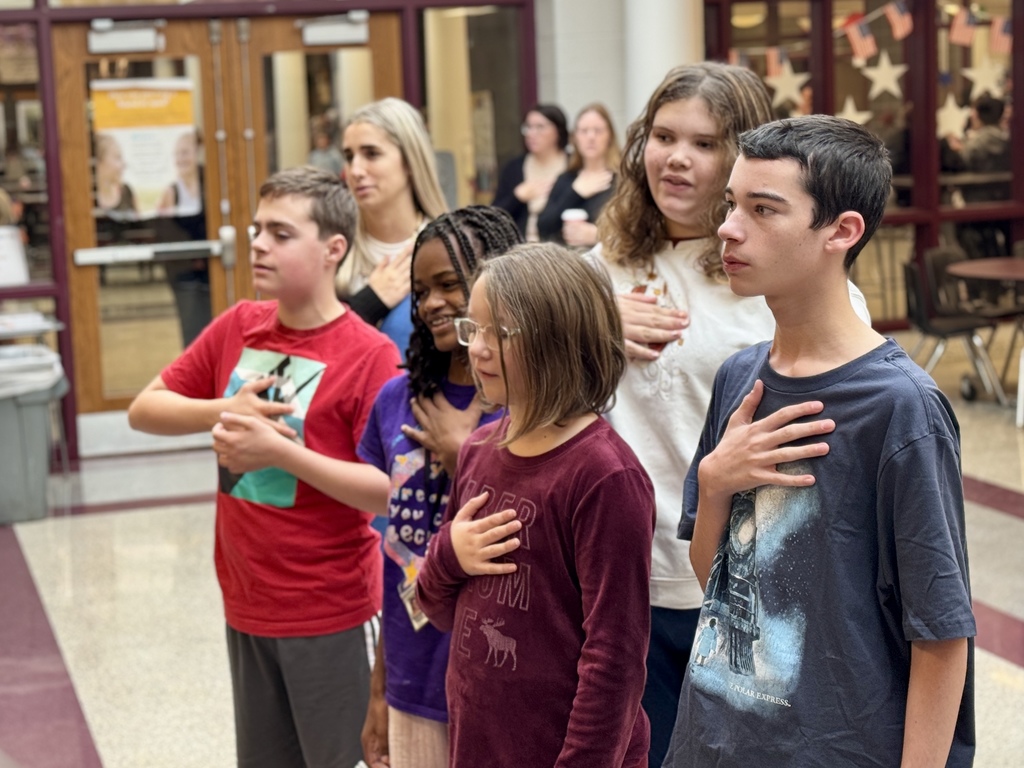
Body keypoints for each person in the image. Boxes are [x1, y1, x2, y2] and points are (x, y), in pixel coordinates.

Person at [665, 115, 975, 766]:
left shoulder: (901, 408)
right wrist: (717, 482)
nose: (729, 228)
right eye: (731, 205)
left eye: (763, 209)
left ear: (842, 230)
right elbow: (716, 579)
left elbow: (941, 633)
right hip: (716, 742)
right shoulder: (740, 377)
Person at [588, 62, 872, 768]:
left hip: (743, 577)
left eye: (706, 143)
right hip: (623, 574)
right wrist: (586, 317)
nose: (676, 158)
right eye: (662, 136)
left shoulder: (776, 270)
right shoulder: (603, 268)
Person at [127, 166, 401, 768]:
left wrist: (280, 452)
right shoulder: (240, 325)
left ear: (333, 249)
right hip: (247, 599)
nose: (257, 243)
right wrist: (225, 409)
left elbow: (389, 492)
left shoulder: (369, 355)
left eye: (280, 232)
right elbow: (144, 409)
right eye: (257, 229)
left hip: (328, 608)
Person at [416, 243, 655, 768]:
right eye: (472, 328)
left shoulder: (605, 476)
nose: (477, 349)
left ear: (559, 341)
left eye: (498, 333)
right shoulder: (479, 450)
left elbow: (615, 661)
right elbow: (434, 610)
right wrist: (450, 555)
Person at [358, 206, 522, 768]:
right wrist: (379, 690)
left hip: (503, 686)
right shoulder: (395, 400)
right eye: (420, 290)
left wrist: (462, 457)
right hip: (411, 679)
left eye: (448, 284)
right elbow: (395, 555)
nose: (429, 304)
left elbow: (538, 546)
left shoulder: (530, 405)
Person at [340, 97, 449, 355]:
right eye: (349, 156)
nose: (355, 170)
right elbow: (313, 349)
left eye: (371, 154)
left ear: (410, 162)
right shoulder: (333, 249)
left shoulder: (452, 246)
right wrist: (369, 302)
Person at [537, 103, 620, 248]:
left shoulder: (623, 181)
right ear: (575, 138)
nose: (591, 137)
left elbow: (640, 232)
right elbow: (543, 228)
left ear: (610, 136)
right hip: (569, 265)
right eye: (584, 131)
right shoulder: (565, 180)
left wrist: (598, 235)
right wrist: (576, 193)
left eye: (598, 130)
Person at [156, 129, 211, 347]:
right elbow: (163, 226)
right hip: (183, 266)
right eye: (178, 152)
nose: (183, 157)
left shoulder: (211, 179)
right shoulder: (166, 186)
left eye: (188, 150)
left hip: (215, 261)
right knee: (193, 331)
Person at [492, 104, 569, 241]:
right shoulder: (513, 168)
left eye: (540, 127)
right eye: (528, 127)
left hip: (563, 249)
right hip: (523, 250)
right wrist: (517, 196)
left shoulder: (573, 165)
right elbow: (493, 216)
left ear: (558, 130)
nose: (531, 133)